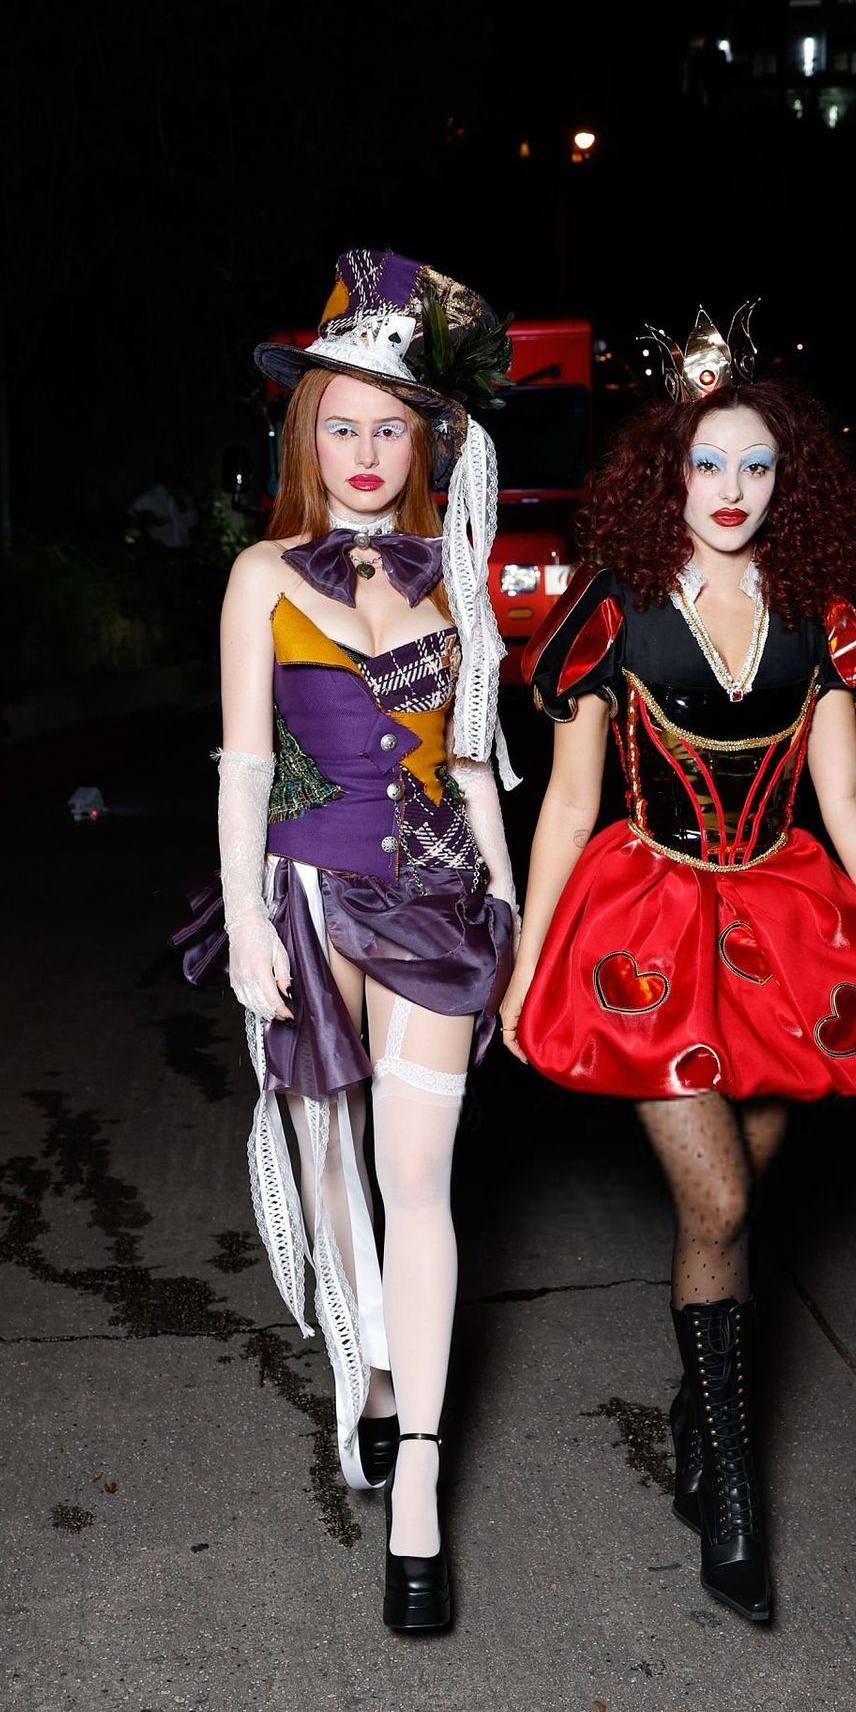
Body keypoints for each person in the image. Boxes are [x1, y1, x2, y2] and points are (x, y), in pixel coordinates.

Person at [500, 303, 856, 1624]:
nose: (734, 489)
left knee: (735, 1205)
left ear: (789, 478)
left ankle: (701, 1412)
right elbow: (569, 806)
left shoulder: (821, 619)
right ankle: (736, 1501)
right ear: (668, 472)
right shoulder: (614, 613)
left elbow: (847, 799)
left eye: (759, 464)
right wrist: (525, 971)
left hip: (785, 943)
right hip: (644, 932)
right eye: (710, 463)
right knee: (722, 1206)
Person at [173, 249, 519, 1633]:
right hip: (309, 906)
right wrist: (246, 917)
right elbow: (245, 767)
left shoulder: (457, 586)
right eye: (342, 426)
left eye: (392, 428)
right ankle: (370, 1368)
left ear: (425, 442)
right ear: (305, 437)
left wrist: (511, 918)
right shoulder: (261, 576)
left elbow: (476, 767)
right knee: (332, 1177)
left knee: (417, 1181)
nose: (367, 454)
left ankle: (420, 1477)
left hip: (434, 913)